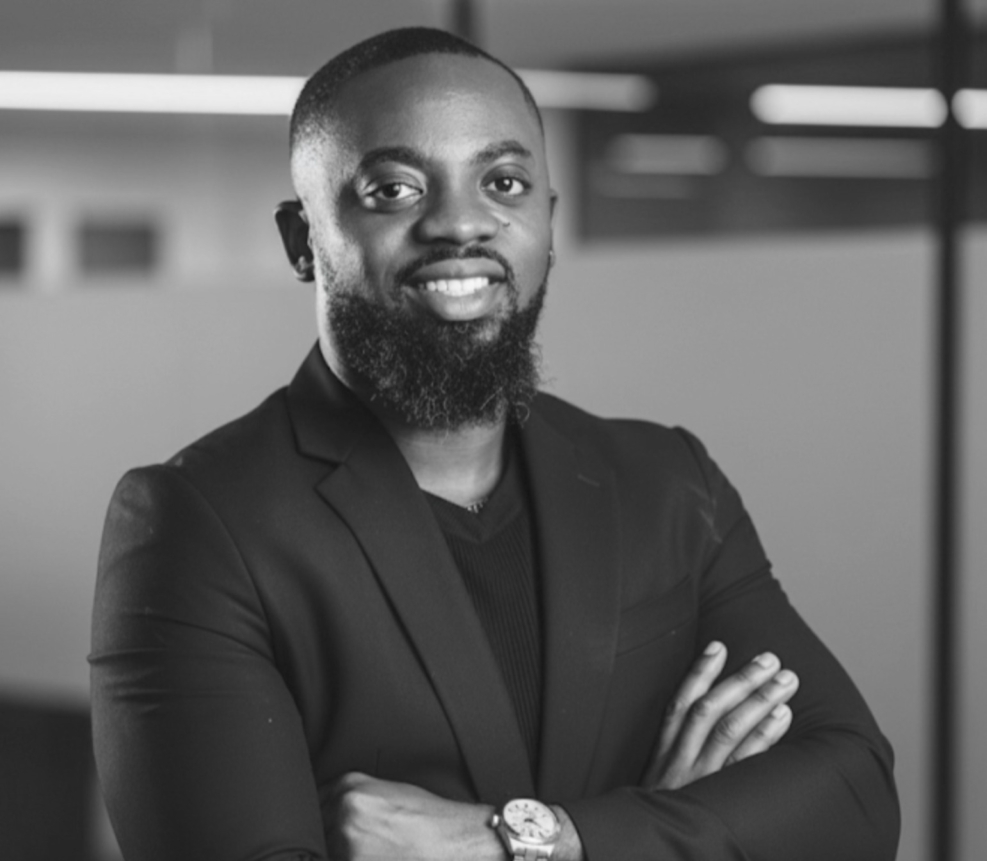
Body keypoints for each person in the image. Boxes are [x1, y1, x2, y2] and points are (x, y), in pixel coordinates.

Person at [90, 26, 900, 861]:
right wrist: (671, 826)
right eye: (394, 189)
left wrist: (533, 840)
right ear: (304, 241)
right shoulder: (199, 523)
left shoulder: (667, 482)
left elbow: (855, 795)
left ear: (547, 224)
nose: (460, 223)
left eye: (504, 182)